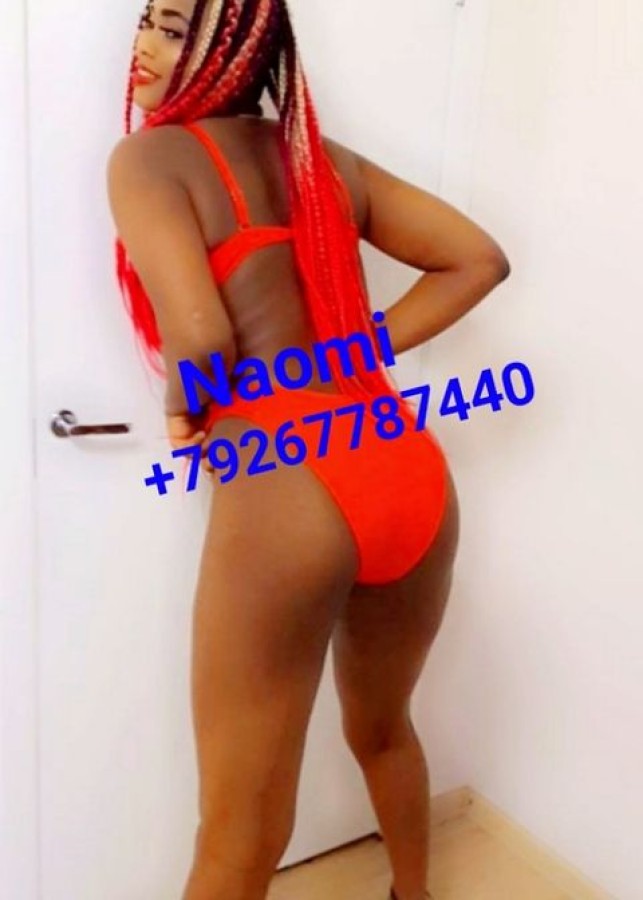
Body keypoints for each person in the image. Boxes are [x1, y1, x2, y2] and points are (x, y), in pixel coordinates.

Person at [106, 2, 510, 899]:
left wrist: (182, 416)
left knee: (237, 836)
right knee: (384, 730)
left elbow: (201, 338)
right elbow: (475, 259)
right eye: (146, 22)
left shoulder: (148, 160)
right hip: (401, 461)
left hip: (290, 483)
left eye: (173, 28)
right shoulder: (320, 161)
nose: (143, 47)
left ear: (235, 48)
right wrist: (351, 353)